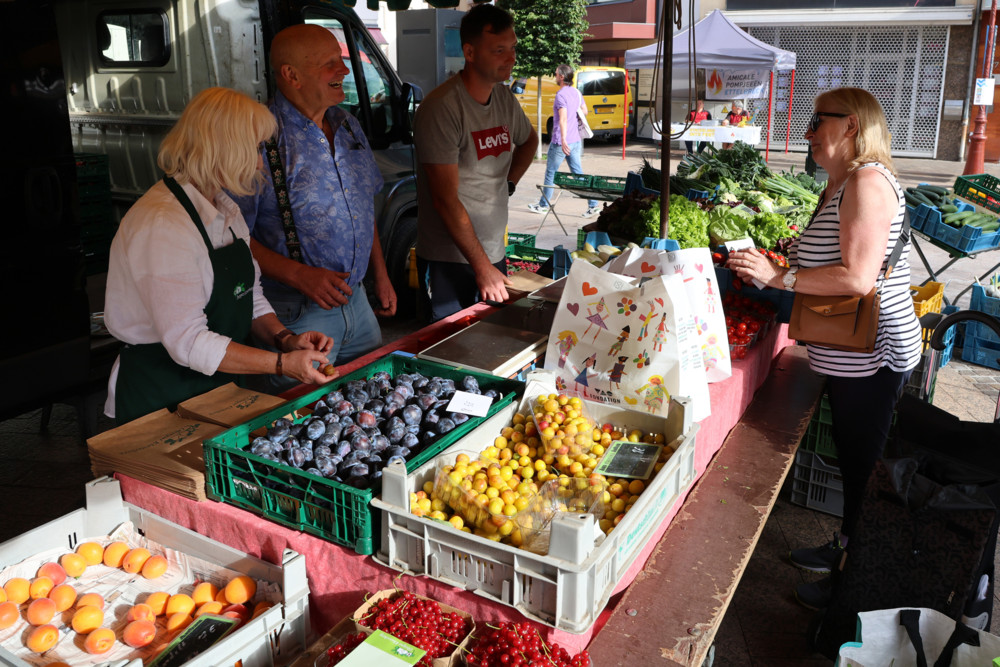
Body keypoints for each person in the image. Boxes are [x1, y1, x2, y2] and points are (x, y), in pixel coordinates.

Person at [727, 87, 921, 611]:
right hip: (847, 354)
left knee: (862, 468)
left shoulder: (866, 181)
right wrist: (791, 255)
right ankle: (844, 548)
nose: (809, 132)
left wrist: (780, 275)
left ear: (852, 126)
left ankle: (852, 587)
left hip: (872, 353)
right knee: (854, 465)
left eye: (818, 121)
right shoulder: (841, 183)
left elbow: (858, 277)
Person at [103, 87, 336, 424]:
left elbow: (249, 295)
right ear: (224, 149)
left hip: (218, 389)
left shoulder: (223, 209)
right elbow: (188, 342)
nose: (260, 162)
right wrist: (282, 365)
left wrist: (286, 340)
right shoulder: (164, 225)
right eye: (255, 148)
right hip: (161, 398)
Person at [235, 24, 396, 391]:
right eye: (330, 63)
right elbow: (229, 237)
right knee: (294, 423)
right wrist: (297, 274)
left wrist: (381, 275)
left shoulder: (348, 124)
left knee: (372, 398)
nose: (343, 70)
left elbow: (362, 207)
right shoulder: (259, 137)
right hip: (294, 315)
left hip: (357, 304)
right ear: (291, 75)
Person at [414, 3, 538, 322]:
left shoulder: (505, 99)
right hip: (449, 261)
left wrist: (508, 183)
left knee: (490, 342)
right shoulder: (442, 108)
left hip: (493, 253)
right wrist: (482, 269)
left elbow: (529, 141)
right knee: (446, 356)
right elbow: (444, 200)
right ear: (470, 52)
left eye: (512, 48)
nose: (510, 58)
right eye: (499, 50)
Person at [526, 64, 599, 218]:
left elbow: (563, 119)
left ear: (561, 76)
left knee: (550, 174)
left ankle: (543, 206)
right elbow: (584, 111)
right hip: (576, 141)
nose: (554, 73)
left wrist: (563, 140)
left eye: (556, 72)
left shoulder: (561, 95)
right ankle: (593, 205)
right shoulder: (576, 92)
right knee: (578, 174)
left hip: (561, 142)